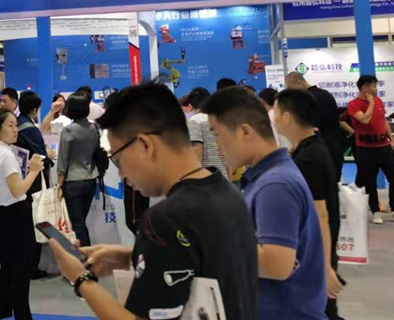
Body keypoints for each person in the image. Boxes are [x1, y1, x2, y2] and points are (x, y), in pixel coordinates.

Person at [47, 83, 258, 320]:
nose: (122, 174)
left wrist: (81, 278)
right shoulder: (228, 193)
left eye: (119, 158)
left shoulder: (166, 219)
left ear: (145, 145)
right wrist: (133, 256)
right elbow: (205, 264)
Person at [202, 87, 327, 320]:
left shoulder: (275, 185)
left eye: (217, 134)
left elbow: (277, 264)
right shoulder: (268, 177)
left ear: (244, 132)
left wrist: (209, 245)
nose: (217, 145)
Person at [273, 89, 346, 320]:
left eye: (276, 113)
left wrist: (325, 267)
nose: (273, 119)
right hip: (314, 249)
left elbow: (320, 214)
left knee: (321, 311)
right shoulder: (309, 148)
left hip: (315, 251)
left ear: (287, 117)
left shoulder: (310, 157)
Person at [0, 109, 45, 320]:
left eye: (16, 125)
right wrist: (34, 170)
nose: (15, 130)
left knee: (8, 271)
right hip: (16, 216)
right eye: (10, 125)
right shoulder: (5, 155)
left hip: (4, 215)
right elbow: (17, 190)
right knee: (19, 274)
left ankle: (0, 313)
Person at [347, 75, 394, 225]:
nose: (376, 89)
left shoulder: (378, 101)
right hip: (366, 149)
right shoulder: (353, 104)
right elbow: (365, 119)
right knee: (370, 182)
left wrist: (391, 138)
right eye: (373, 86)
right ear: (364, 87)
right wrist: (371, 103)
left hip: (383, 146)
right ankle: (375, 211)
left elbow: (383, 120)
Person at [15, 90, 52, 279]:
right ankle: (32, 266)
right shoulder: (30, 129)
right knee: (34, 222)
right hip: (33, 182)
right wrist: (49, 155)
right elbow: (42, 157)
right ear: (36, 109)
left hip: (18, 180)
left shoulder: (16, 124)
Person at [56, 93, 101, 248]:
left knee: (78, 225)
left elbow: (63, 160)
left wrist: (59, 185)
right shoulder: (94, 127)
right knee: (80, 223)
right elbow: (96, 151)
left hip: (73, 182)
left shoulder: (68, 130)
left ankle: (86, 258)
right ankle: (86, 256)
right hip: (91, 179)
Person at [286, 72, 347, 181]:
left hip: (320, 150)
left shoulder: (307, 99)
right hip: (335, 147)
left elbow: (309, 127)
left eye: (291, 88)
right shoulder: (326, 94)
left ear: (299, 83)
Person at [186, 86, 229, 179]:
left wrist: (193, 177)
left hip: (207, 179)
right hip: (223, 178)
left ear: (191, 105)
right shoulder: (220, 120)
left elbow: (197, 151)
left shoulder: (195, 120)